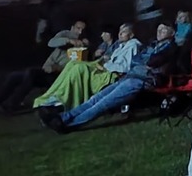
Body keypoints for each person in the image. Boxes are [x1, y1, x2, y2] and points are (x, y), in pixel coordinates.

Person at [40, 22, 179, 133]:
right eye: (159, 29)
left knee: (104, 103)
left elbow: (151, 62)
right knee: (96, 98)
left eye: (164, 30)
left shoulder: (171, 48)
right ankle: (63, 117)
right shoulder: (153, 44)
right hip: (131, 76)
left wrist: (145, 61)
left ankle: (67, 125)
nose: (159, 32)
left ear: (172, 33)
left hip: (143, 80)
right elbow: (136, 61)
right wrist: (145, 61)